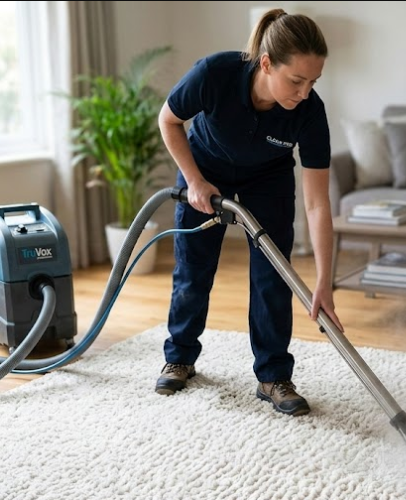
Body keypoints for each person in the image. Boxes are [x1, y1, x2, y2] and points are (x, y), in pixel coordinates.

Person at [155, 8, 344, 417]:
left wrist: (324, 281)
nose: (305, 92)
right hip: (204, 168)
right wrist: (194, 181)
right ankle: (180, 357)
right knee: (193, 269)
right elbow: (168, 121)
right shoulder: (215, 73)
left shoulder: (310, 113)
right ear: (266, 63)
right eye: (296, 80)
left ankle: (273, 375)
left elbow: (317, 202)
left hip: (268, 179)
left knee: (272, 276)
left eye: (313, 81)